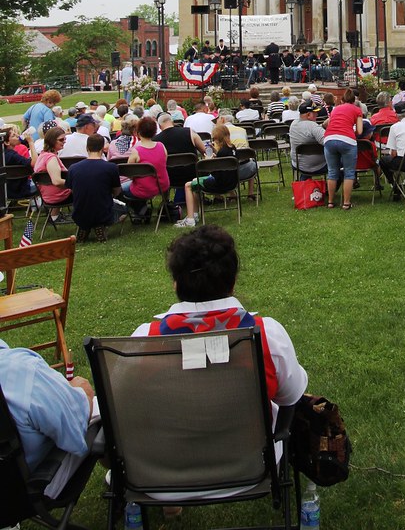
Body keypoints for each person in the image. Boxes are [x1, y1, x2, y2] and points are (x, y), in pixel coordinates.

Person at [131, 226, 307, 491]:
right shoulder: (267, 335)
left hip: (163, 475)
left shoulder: (144, 341)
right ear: (233, 281)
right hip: (251, 467)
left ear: (176, 283)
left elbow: (126, 405)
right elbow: (291, 396)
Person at [0, 338, 96, 497]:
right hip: (25, 490)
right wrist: (83, 394)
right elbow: (75, 426)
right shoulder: (21, 370)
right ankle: (128, 484)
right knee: (100, 407)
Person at [66, 134, 127, 242]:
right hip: (104, 211)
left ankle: (86, 226)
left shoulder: (73, 168)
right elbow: (116, 190)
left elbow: (71, 190)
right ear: (102, 148)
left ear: (87, 148)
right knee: (123, 209)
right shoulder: (111, 167)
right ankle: (99, 225)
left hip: (79, 212)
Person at [177, 125, 239, 228]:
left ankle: (191, 219)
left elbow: (214, 173)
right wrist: (215, 153)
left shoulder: (222, 153)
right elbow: (224, 163)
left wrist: (208, 161)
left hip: (219, 184)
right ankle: (195, 214)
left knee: (188, 185)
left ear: (217, 138)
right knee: (195, 181)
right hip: (232, 182)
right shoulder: (232, 148)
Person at [121, 116, 170, 218]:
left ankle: (138, 210)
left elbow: (128, 173)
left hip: (144, 189)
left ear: (138, 132)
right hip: (162, 186)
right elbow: (164, 164)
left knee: (119, 189)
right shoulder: (162, 146)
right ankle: (141, 208)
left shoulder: (136, 151)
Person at [323, 88, 363, 210]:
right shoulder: (357, 110)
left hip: (329, 138)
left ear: (342, 99)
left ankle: (330, 201)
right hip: (347, 139)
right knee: (349, 172)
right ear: (354, 99)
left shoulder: (335, 109)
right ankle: (346, 202)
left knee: (332, 171)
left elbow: (326, 124)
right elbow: (360, 131)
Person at [32, 125, 72, 225]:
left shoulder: (42, 155)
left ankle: (54, 217)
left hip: (47, 196)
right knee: (89, 188)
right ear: (52, 141)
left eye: (65, 138)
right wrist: (75, 182)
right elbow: (57, 181)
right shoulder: (51, 159)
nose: (65, 141)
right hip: (59, 197)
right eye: (61, 139)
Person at [289, 102, 326, 176]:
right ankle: (331, 187)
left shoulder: (293, 124)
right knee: (340, 161)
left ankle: (305, 184)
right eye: (315, 113)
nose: (317, 115)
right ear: (308, 114)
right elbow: (328, 142)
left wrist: (323, 125)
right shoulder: (313, 127)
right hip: (318, 166)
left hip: (297, 165)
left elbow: (307, 131)